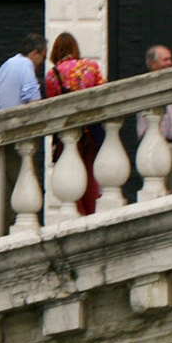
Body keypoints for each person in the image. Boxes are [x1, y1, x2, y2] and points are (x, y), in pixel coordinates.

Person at [43, 32, 106, 215]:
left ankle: (78, 212)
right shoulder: (91, 67)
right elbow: (102, 94)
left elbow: (53, 105)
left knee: (70, 174)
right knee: (91, 175)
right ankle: (92, 211)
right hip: (92, 131)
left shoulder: (52, 76)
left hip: (68, 133)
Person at [0, 33, 46, 111]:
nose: (43, 61)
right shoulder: (26, 65)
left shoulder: (5, 65)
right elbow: (33, 100)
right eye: (43, 56)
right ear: (35, 54)